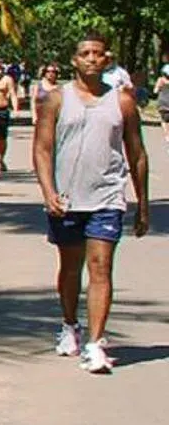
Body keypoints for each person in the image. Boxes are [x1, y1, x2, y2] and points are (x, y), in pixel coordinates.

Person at [33, 34, 151, 374]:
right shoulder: (56, 99)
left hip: (107, 197)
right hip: (67, 200)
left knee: (101, 267)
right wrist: (48, 191)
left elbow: (137, 153)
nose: (90, 59)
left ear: (107, 60)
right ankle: (70, 325)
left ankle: (96, 344)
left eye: (97, 54)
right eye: (84, 53)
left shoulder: (123, 102)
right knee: (71, 268)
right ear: (74, 60)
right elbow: (42, 149)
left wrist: (142, 203)